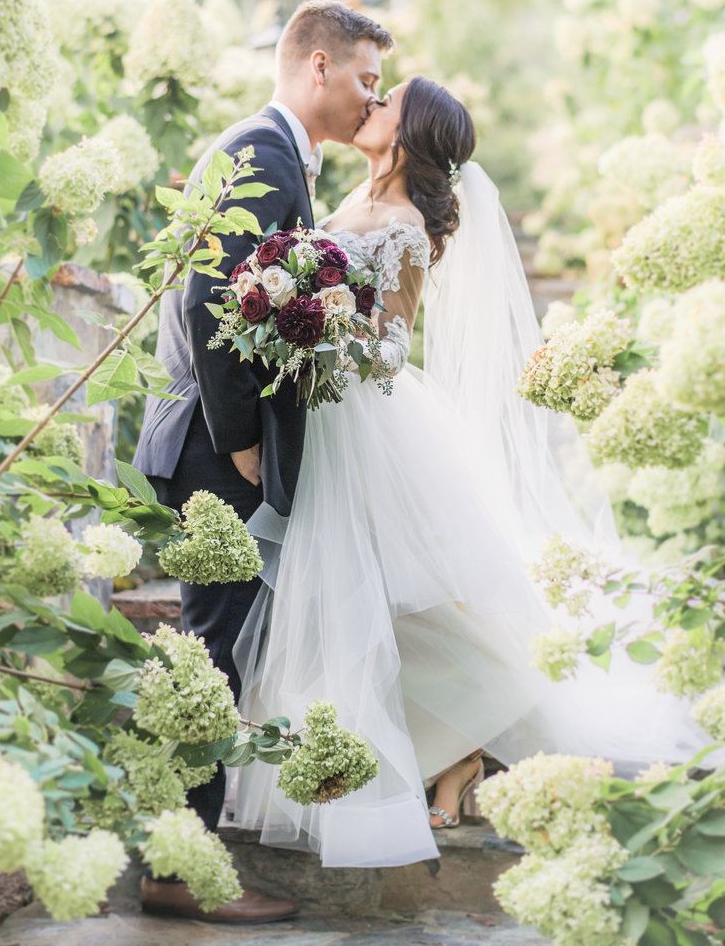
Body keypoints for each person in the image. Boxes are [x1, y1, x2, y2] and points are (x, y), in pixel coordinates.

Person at [230, 76, 707, 869]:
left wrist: (323, 324)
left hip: (367, 421)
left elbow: (391, 348)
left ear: (409, 134)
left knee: (393, 596)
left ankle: (468, 731)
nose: (371, 108)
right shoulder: (343, 195)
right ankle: (450, 749)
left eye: (388, 103)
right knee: (362, 596)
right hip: (324, 422)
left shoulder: (410, 228)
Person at [133, 0, 394, 920]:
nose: (374, 96)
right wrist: (242, 436)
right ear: (316, 65)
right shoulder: (263, 151)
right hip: (216, 447)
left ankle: (180, 861)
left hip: (219, 444)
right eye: (366, 77)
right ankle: (178, 871)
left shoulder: (282, 155)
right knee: (208, 660)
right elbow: (212, 299)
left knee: (214, 658)